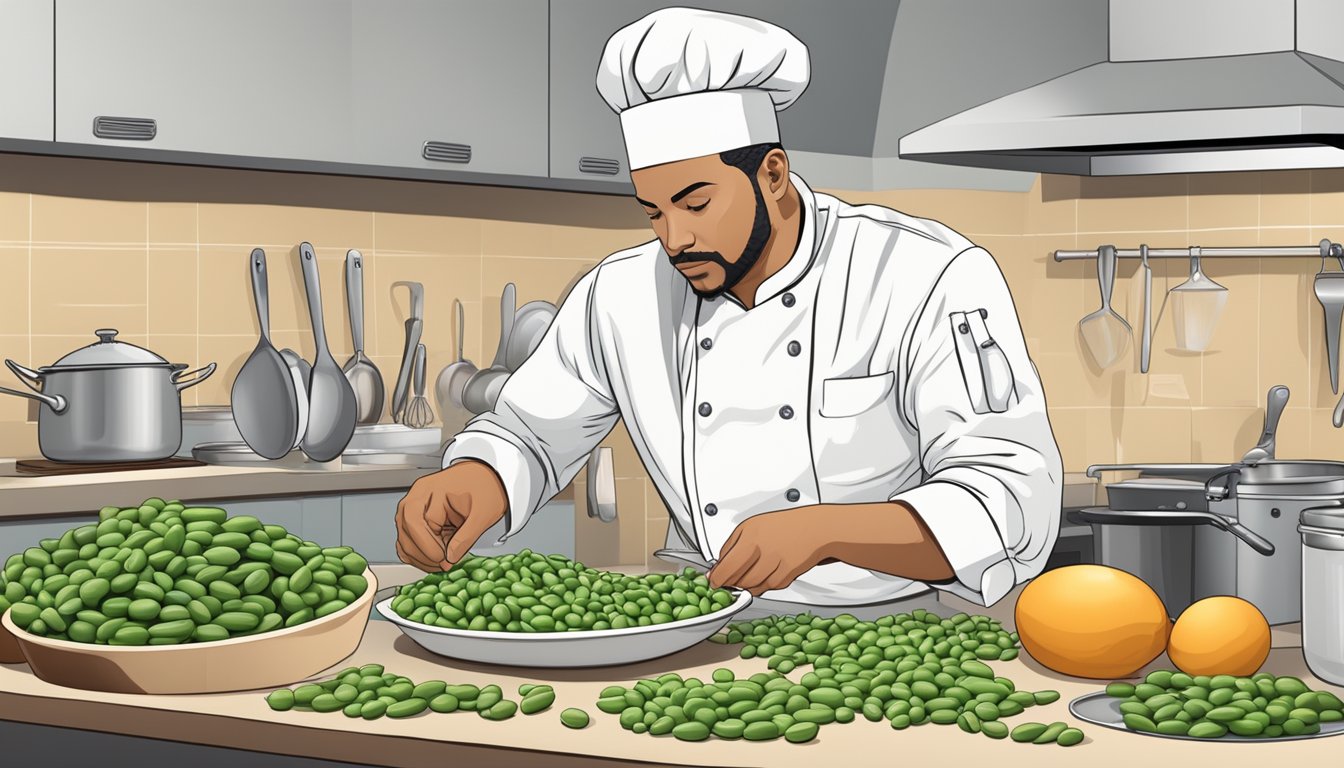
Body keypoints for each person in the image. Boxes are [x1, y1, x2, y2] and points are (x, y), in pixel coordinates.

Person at [395, 7, 1062, 618]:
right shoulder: (619, 294)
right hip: (696, 625)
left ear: (772, 174)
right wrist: (476, 478)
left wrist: (828, 531)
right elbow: (531, 434)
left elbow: (1009, 500)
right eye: (653, 211)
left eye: (695, 203)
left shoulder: (924, 274)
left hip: (892, 633)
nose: (673, 238)